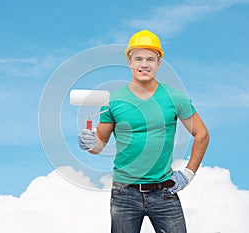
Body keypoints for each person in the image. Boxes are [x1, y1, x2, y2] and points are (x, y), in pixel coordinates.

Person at [78, 29, 209, 233]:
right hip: (124, 194)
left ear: (158, 63)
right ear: (129, 62)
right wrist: (89, 143)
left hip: (165, 191)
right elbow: (99, 144)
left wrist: (188, 174)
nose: (144, 64)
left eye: (150, 59)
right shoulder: (113, 101)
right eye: (138, 58)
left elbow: (202, 134)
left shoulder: (175, 98)